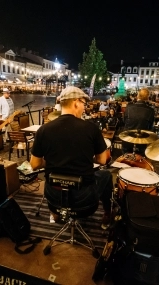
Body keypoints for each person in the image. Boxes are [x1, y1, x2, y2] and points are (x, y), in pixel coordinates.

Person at [30, 86, 113, 230]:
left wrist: (54, 160)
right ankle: (107, 214)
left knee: (54, 183)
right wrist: (84, 158)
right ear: (76, 102)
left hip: (53, 197)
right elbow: (102, 160)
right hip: (84, 199)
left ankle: (56, 214)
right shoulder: (91, 128)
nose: (84, 108)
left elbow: (34, 164)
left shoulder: (43, 130)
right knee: (105, 175)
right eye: (83, 104)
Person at [122, 88, 155, 155]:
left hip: (128, 139)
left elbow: (124, 121)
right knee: (140, 161)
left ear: (137, 96)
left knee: (125, 161)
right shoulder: (150, 110)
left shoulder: (129, 108)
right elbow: (150, 127)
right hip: (142, 141)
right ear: (147, 97)